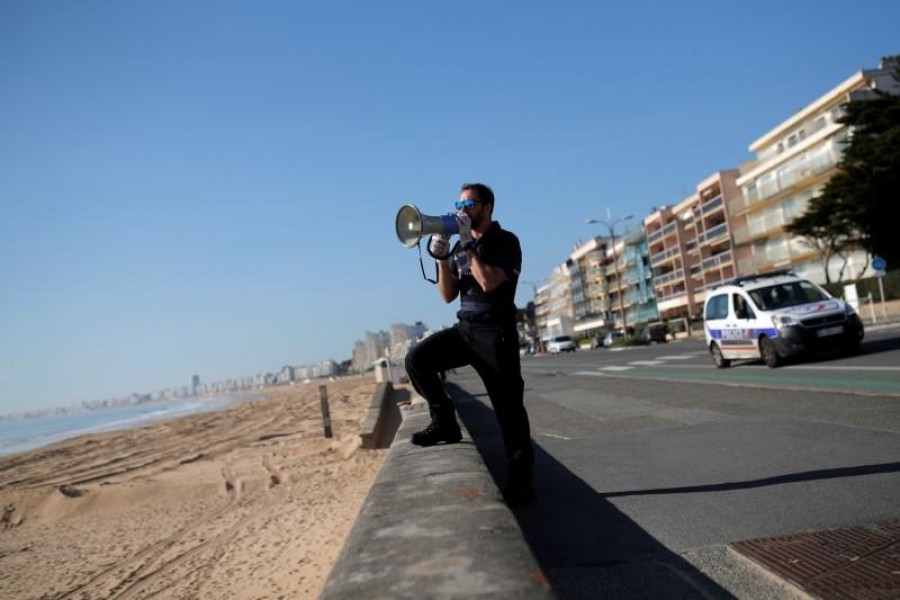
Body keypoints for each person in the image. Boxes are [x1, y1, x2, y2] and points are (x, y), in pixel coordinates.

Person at [404, 183, 535, 506]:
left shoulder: (506, 241)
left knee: (508, 411)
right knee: (417, 359)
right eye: (459, 203)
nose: (463, 209)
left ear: (488, 207)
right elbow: (447, 295)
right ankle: (444, 420)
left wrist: (467, 245)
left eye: (470, 203)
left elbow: (490, 282)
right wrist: (442, 256)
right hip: (465, 329)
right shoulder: (459, 246)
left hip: (496, 333)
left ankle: (521, 485)